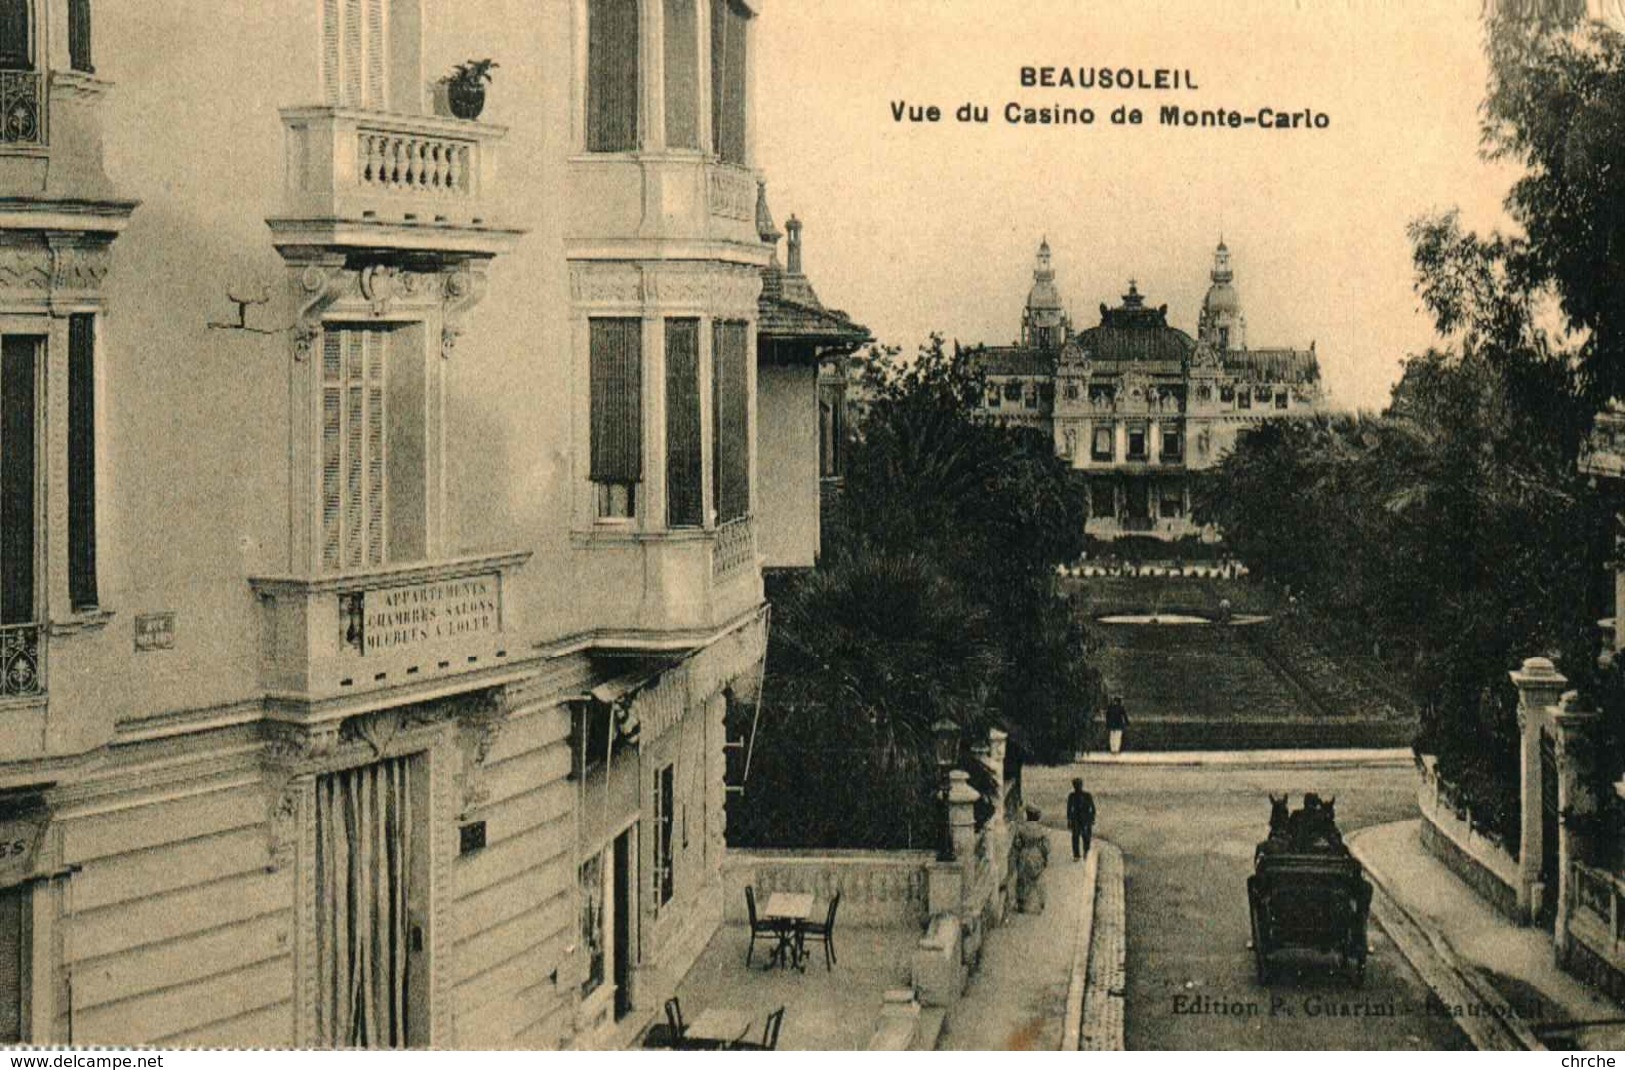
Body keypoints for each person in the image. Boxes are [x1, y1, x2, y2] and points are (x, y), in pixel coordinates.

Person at [1066, 777, 1096, 861]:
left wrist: (1092, 818)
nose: (1077, 787)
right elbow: (1069, 809)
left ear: (1081, 785)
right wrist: (1069, 820)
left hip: (1086, 818)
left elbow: (1092, 808)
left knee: (1086, 837)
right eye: (1075, 785)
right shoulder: (1071, 796)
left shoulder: (1087, 795)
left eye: (1078, 785)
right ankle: (1076, 855)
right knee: (1075, 837)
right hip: (1076, 818)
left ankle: (1086, 852)